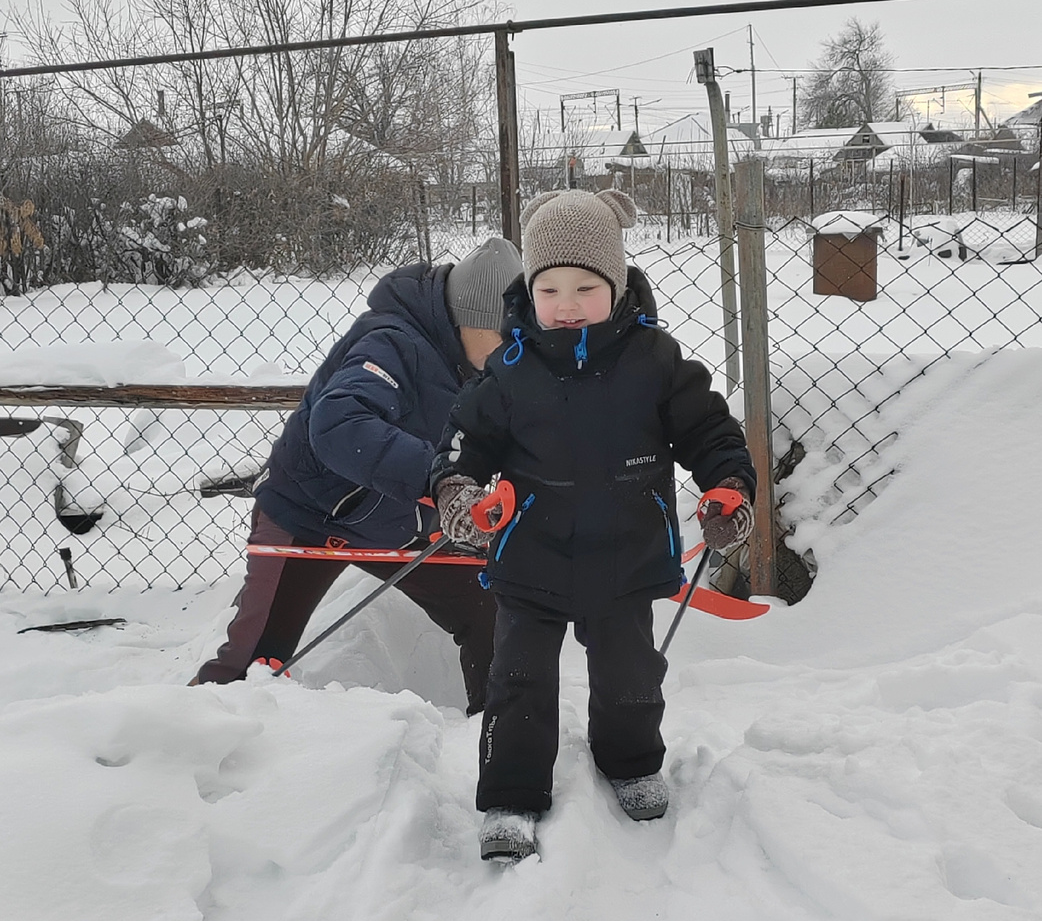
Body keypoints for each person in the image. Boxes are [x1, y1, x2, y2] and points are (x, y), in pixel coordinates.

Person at [431, 190, 757, 860]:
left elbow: (711, 432)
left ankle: (630, 762)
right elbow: (464, 441)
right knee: (517, 680)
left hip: (626, 556)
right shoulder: (510, 370)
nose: (568, 304)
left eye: (586, 287)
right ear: (529, 290)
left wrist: (728, 486)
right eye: (549, 289)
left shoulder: (655, 361)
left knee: (630, 676)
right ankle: (511, 795)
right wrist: (458, 491)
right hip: (531, 556)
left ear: (616, 285)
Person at [190, 236, 523, 716]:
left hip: (393, 519)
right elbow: (340, 425)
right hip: (306, 514)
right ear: (467, 320)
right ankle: (179, 739)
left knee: (487, 608)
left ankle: (497, 734)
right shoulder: (390, 342)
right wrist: (439, 478)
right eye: (504, 338)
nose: (511, 354)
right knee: (250, 663)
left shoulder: (477, 364)